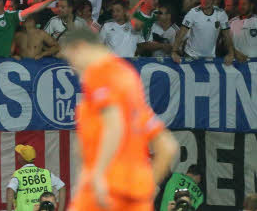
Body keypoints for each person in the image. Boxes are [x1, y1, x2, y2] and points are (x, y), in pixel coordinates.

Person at [58, 28, 180, 211]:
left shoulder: (99, 73)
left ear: (80, 48)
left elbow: (113, 123)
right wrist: (146, 189)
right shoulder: (128, 82)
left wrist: (99, 175)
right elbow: (168, 146)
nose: (72, 67)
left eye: (70, 59)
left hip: (104, 192)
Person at [6, 144, 66, 211]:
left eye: (19, 154)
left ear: (21, 158)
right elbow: (62, 187)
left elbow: (10, 190)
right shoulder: (45, 173)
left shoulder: (18, 175)